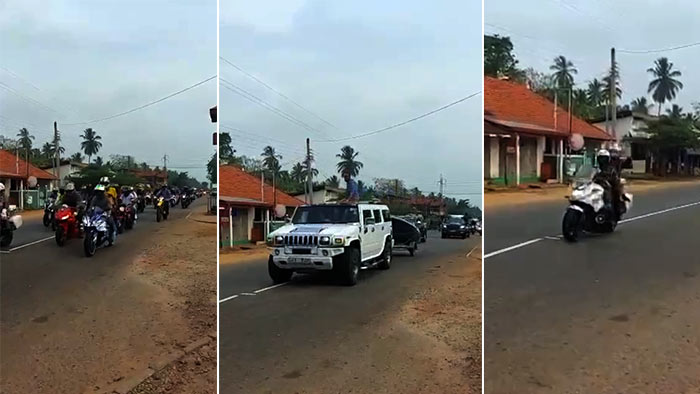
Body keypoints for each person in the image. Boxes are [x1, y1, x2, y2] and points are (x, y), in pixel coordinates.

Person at [594, 149, 624, 219]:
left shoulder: (611, 169)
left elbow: (615, 180)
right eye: (601, 158)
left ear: (608, 159)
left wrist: (613, 183)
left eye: (604, 158)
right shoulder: (596, 169)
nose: (602, 160)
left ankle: (615, 212)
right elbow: (589, 176)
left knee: (613, 195)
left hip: (606, 188)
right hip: (594, 188)